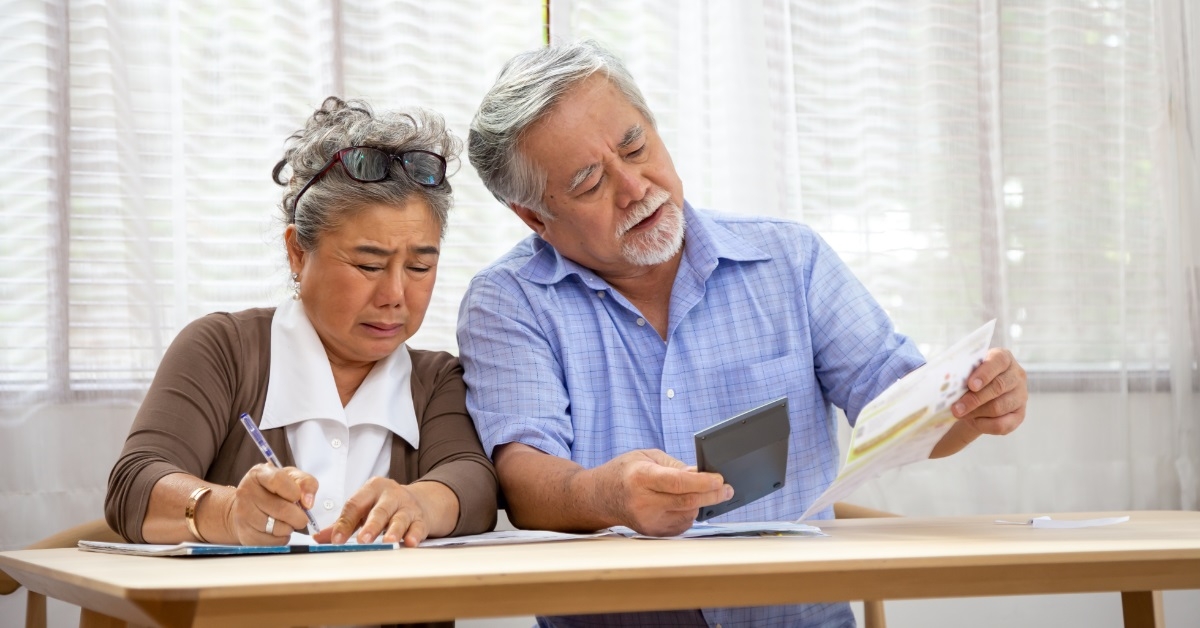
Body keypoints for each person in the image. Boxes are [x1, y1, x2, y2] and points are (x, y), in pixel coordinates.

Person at [458, 41, 1027, 627]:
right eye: (588, 183)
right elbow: (524, 477)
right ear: (533, 218)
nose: (634, 187)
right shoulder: (509, 301)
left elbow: (904, 407)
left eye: (636, 147)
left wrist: (971, 404)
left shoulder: (788, 259)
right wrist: (609, 495)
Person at [106, 97, 498, 557]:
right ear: (297, 252)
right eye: (369, 264)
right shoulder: (222, 351)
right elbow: (134, 484)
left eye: (418, 267)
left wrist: (419, 502)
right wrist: (228, 511)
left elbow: (474, 482)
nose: (394, 294)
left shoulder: (435, 381)